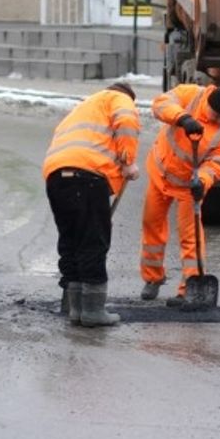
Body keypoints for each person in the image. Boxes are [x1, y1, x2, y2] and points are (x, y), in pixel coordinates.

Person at [43, 82, 140, 327]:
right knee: (93, 241)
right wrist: (128, 161)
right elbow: (127, 122)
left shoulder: (83, 107)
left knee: (71, 241)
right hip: (86, 176)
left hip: (56, 176)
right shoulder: (119, 98)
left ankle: (76, 308)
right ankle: (93, 310)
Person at [139, 84, 220, 306]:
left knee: (191, 236)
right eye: (216, 114)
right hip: (160, 173)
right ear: (209, 103)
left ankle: (189, 287)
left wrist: (202, 181)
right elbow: (160, 104)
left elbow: (216, 165)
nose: (218, 119)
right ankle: (153, 278)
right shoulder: (191, 95)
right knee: (151, 224)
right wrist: (182, 118)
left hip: (187, 186)